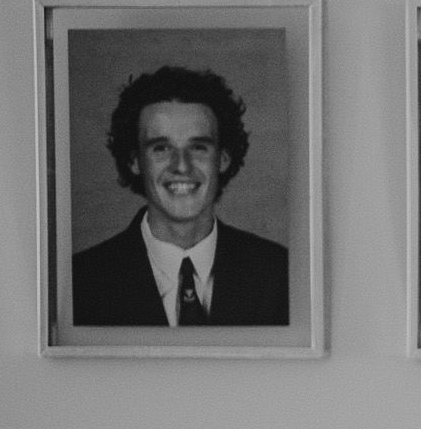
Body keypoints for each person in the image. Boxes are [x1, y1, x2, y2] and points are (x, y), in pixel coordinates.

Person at [71, 65, 290, 327]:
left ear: (223, 158)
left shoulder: (281, 274)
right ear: (134, 161)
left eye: (198, 147)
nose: (182, 165)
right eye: (161, 148)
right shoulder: (80, 281)